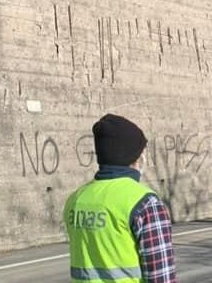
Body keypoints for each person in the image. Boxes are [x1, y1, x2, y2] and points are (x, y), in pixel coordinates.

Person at [64, 114, 177, 283]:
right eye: (142, 152)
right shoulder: (145, 203)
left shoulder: (75, 200)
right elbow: (162, 277)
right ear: (133, 156)